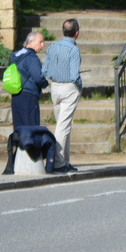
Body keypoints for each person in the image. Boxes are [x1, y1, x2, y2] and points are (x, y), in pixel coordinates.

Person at [42, 19, 82, 174]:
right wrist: (79, 86)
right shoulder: (73, 50)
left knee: (64, 125)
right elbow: (74, 75)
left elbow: (45, 70)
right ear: (76, 33)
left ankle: (65, 161)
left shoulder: (52, 47)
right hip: (69, 88)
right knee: (62, 127)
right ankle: (57, 162)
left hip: (55, 87)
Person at [10, 32, 48, 132]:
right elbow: (38, 78)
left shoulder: (15, 56)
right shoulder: (32, 58)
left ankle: (19, 147)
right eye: (40, 42)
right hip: (29, 96)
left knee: (19, 128)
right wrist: (46, 83)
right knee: (31, 129)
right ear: (31, 42)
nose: (42, 45)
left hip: (16, 95)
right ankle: (30, 147)